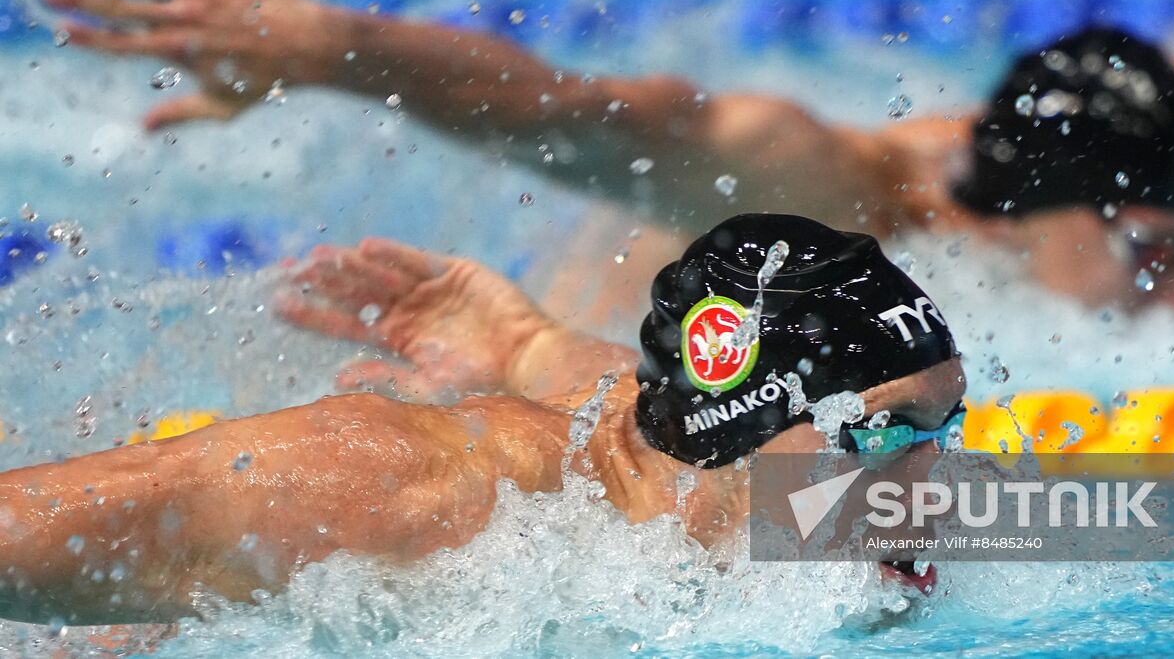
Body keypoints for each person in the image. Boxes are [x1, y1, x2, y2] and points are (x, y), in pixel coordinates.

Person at [41, 0, 1174, 316]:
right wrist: (332, 44)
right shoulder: (822, 188)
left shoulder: (1168, 141)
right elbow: (577, 111)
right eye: (1160, 256)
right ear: (1042, 208)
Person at [0, 214, 964, 625]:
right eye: (878, 436)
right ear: (737, 431)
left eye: (941, 432)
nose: (934, 490)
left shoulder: (694, 478)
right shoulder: (433, 498)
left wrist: (528, 342)